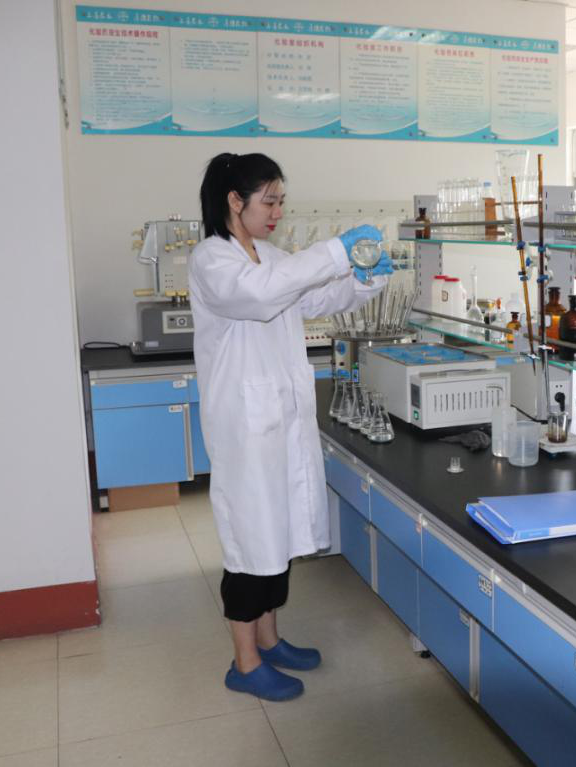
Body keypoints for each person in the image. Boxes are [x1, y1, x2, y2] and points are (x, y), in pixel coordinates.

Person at [189, 152, 391, 702]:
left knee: (277, 533)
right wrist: (334, 250)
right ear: (235, 200)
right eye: (270, 201)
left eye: (281, 201)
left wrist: (365, 279)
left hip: (280, 418)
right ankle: (245, 663)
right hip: (245, 425)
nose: (278, 211)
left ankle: (270, 641)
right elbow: (260, 296)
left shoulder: (271, 256)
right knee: (250, 539)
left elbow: (318, 295)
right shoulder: (212, 259)